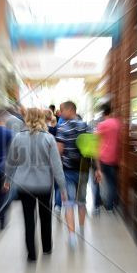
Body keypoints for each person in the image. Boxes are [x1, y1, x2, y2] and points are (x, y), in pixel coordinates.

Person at [5, 108, 67, 261]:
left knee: (28, 219)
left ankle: (31, 254)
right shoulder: (49, 139)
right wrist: (63, 187)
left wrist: (7, 180)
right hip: (45, 185)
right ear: (41, 119)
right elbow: (57, 166)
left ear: (26, 119)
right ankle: (47, 248)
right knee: (46, 217)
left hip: (25, 186)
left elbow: (11, 162)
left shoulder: (18, 137)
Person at [56, 101, 87, 248]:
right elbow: (93, 150)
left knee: (68, 203)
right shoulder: (86, 126)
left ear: (70, 110)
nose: (61, 113)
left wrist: (56, 171)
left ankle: (72, 236)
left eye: (62, 110)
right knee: (81, 202)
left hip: (68, 171)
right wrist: (98, 169)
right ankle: (81, 230)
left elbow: (59, 152)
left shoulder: (62, 128)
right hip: (83, 171)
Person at [95, 102, 121, 211]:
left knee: (96, 180)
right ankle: (110, 206)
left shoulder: (102, 125)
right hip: (114, 158)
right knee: (111, 182)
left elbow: (96, 140)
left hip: (102, 158)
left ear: (103, 113)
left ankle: (97, 203)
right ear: (111, 111)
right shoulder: (117, 123)